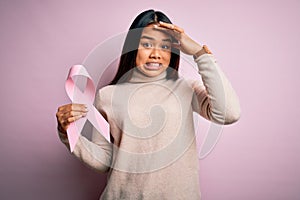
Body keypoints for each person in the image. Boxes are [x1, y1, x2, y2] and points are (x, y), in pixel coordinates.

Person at [56, 9, 240, 200]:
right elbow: (105, 162)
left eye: (165, 46)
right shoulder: (107, 96)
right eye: (146, 44)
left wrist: (199, 53)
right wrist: (69, 132)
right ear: (132, 47)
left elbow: (229, 113)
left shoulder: (186, 88)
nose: (155, 54)